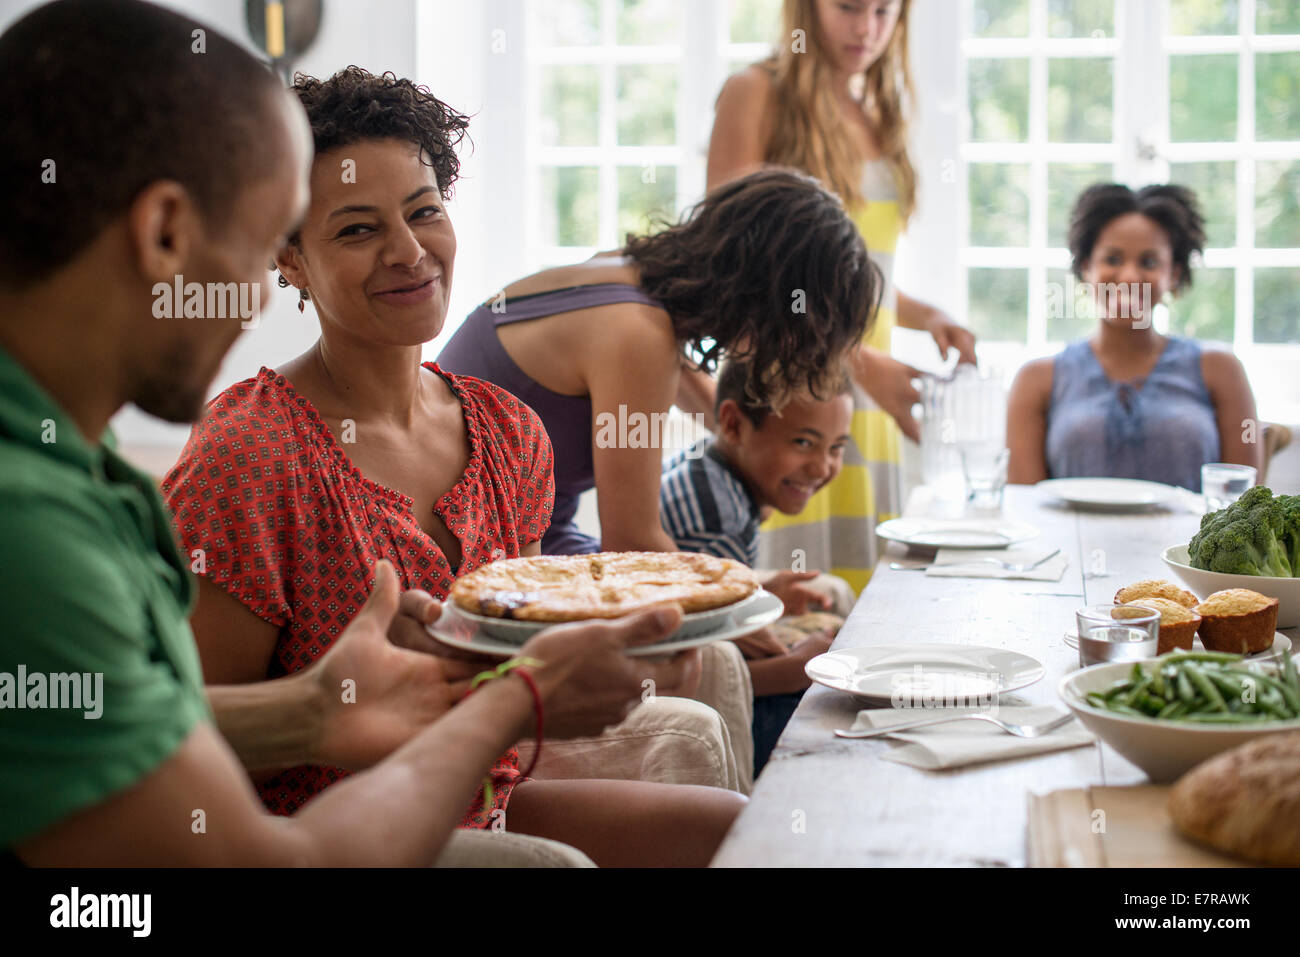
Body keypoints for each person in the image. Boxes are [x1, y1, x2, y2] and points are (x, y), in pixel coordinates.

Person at [0, 0, 731, 868]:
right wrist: (511, 700)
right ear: (169, 233)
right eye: (261, 241)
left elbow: (141, 714)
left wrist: (313, 708)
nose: (257, 301)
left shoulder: (78, 474)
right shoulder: (37, 527)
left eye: (421, 213)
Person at [438, 168, 877, 560]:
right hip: (481, 552)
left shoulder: (626, 273)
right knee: (739, 643)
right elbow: (632, 543)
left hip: (510, 538)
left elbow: (714, 415)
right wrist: (752, 600)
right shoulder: (640, 336)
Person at [705, 0, 978, 595]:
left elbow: (855, 273)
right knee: (788, 611)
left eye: (885, 11)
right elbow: (731, 264)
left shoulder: (880, 111)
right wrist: (856, 361)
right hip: (789, 390)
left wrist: (924, 313)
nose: (867, 28)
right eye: (850, 6)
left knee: (861, 614)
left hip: (864, 400)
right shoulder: (755, 93)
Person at [660, 358, 854, 773]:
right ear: (733, 425)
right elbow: (708, 669)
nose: (823, 467)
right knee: (815, 706)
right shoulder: (716, 517)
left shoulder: (710, 469)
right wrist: (800, 667)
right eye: (804, 442)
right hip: (677, 679)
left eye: (836, 448)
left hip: (699, 645)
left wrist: (764, 594)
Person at [1006, 183, 1261, 491]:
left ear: (1175, 273)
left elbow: (1245, 504)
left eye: (1148, 262)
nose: (1128, 277)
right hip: (1070, 541)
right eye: (1112, 259)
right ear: (1086, 267)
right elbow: (1025, 507)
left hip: (1188, 542)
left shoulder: (1221, 370)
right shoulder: (1036, 380)